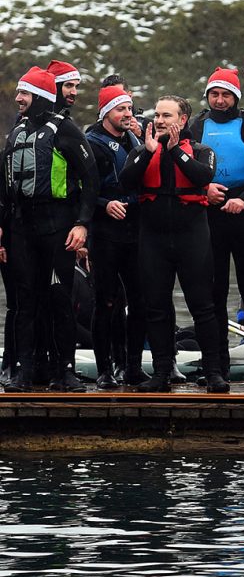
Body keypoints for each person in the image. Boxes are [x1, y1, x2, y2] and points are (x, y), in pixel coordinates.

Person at [118, 95, 228, 393]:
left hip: (192, 238)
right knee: (156, 308)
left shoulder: (201, 151)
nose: (159, 121)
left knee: (202, 307)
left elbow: (203, 176)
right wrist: (149, 153)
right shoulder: (141, 150)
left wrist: (175, 151)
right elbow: (126, 181)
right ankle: (162, 371)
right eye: (157, 115)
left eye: (167, 116)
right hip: (153, 240)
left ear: (182, 120)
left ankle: (214, 372)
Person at [1, 66, 99, 392]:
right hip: (22, 229)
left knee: (59, 299)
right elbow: (4, 187)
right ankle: (24, 371)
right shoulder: (17, 132)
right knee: (25, 301)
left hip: (58, 227)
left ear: (41, 96)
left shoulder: (66, 130)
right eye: (18, 92)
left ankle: (65, 371)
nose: (18, 98)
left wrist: (82, 225)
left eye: (24, 93)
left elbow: (91, 180)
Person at [188, 63, 244, 385]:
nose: (219, 100)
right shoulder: (196, 126)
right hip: (209, 212)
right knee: (214, 293)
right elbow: (184, 167)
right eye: (214, 94)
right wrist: (204, 190)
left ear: (236, 97)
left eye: (226, 94)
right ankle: (217, 367)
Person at [84, 84, 147, 389]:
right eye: (121, 109)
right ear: (106, 112)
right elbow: (80, 190)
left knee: (139, 300)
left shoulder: (136, 140)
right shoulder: (91, 143)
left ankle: (131, 366)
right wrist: (104, 204)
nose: (127, 114)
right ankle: (105, 369)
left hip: (134, 230)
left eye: (129, 108)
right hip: (105, 232)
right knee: (106, 301)